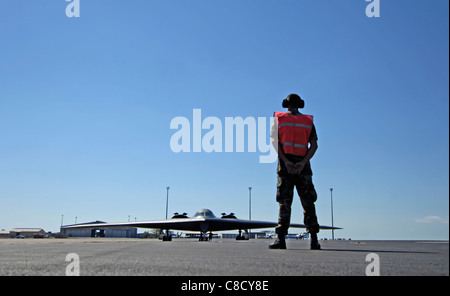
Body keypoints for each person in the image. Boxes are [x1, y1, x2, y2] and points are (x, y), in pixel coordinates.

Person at [269, 93, 321, 250]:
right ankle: (314, 239)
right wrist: (303, 163)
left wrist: (286, 161)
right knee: (308, 201)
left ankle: (280, 239)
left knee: (284, 201)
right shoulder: (308, 121)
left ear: (286, 104)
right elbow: (314, 145)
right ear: (300, 104)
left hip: (285, 166)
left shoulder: (279, 119)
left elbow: (274, 142)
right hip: (303, 166)